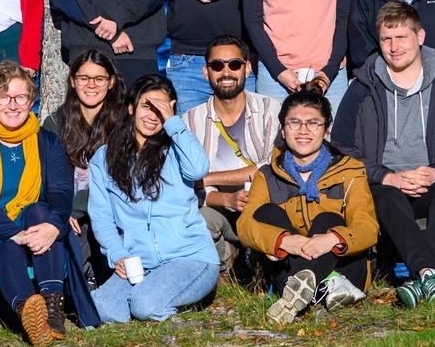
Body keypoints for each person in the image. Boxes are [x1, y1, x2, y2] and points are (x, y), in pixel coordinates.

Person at [333, 2, 435, 309]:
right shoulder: (363, 86)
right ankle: (431, 274)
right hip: (384, 188)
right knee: (385, 194)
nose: (394, 46)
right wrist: (387, 176)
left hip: (432, 182)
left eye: (402, 37)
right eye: (387, 39)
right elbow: (342, 149)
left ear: (420, 36)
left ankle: (421, 279)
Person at [0, 63, 99, 347]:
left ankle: (51, 308)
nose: (13, 105)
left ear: (32, 101)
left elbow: (62, 190)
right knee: (9, 245)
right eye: (4, 97)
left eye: (21, 97)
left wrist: (55, 225)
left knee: (41, 212)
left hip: (35, 228)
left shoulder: (46, 141)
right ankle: (29, 308)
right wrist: (13, 232)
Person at [236, 90, 378, 325]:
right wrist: (283, 241)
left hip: (345, 268)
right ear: (283, 129)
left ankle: (301, 292)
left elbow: (367, 227)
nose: (303, 130)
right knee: (266, 213)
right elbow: (245, 226)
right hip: (288, 261)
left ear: (326, 129)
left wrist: (331, 239)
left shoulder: (350, 170)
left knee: (327, 219)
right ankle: (314, 290)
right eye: (295, 122)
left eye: (313, 123)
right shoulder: (266, 175)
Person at [87, 75, 219, 323]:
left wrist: (172, 122)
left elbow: (199, 169)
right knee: (102, 309)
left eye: (162, 107)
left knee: (144, 305)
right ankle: (156, 297)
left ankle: (175, 303)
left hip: (190, 257)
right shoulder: (104, 158)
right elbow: (101, 216)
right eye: (147, 105)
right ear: (131, 108)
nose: (153, 114)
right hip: (140, 263)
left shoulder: (176, 148)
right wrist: (118, 255)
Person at [179, 35, 281, 274]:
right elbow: (185, 183)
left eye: (234, 64)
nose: (226, 72)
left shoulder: (270, 110)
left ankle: (256, 264)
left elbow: (267, 168)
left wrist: (207, 178)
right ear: (206, 72)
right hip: (217, 209)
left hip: (263, 206)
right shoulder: (191, 121)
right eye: (217, 65)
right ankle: (222, 267)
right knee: (196, 220)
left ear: (247, 68)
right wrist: (226, 199)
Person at [41, 48, 125, 286]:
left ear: (110, 83)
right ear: (72, 81)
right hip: (69, 213)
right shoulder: (55, 123)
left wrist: (74, 209)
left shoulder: (122, 125)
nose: (91, 85)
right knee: (70, 236)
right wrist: (61, 210)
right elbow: (47, 177)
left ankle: (94, 281)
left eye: (99, 78)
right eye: (83, 78)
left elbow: (120, 183)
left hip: (110, 211)